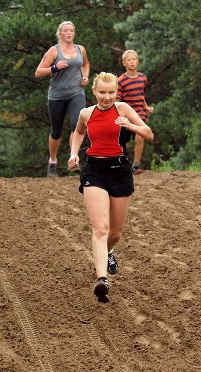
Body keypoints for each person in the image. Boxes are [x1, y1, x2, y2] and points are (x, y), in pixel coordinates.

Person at [67, 72, 154, 302]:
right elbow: (78, 132)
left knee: (115, 233)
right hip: (94, 170)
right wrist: (74, 153)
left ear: (117, 92)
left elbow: (148, 133)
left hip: (119, 170)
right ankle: (101, 279)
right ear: (94, 92)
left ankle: (109, 251)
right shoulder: (86, 113)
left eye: (111, 92)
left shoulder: (123, 109)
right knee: (100, 229)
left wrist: (130, 126)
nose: (107, 97)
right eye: (102, 92)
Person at [35, 21, 90, 177]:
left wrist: (85, 76)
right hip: (57, 95)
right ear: (60, 34)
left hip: (76, 93)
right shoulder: (54, 51)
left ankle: (73, 159)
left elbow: (85, 64)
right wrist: (55, 67)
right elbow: (38, 72)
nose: (68, 33)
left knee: (77, 125)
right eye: (65, 30)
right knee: (56, 132)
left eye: (71, 30)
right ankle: (52, 161)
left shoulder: (81, 49)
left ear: (74, 33)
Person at [116, 50, 154, 175]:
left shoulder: (143, 78)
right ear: (124, 63)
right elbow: (117, 99)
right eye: (129, 60)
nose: (132, 62)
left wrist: (146, 107)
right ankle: (124, 162)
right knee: (124, 141)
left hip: (140, 113)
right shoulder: (121, 80)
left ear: (137, 61)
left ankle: (136, 165)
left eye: (134, 59)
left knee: (140, 137)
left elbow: (141, 95)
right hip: (127, 114)